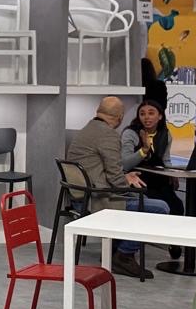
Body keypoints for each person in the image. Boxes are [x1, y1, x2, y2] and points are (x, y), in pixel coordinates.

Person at [65, 95, 167, 278]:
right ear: (120, 117)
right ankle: (124, 255)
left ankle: (116, 249)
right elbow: (115, 178)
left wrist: (124, 177)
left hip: (81, 197)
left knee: (142, 200)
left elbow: (102, 170)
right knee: (160, 208)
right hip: (97, 200)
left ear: (98, 111)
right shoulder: (108, 135)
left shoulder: (87, 129)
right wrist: (127, 181)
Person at [121, 99, 185, 217]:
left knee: (177, 206)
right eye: (142, 114)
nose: (146, 117)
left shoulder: (165, 134)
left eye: (151, 113)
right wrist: (143, 151)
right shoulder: (130, 133)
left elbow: (166, 160)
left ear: (160, 116)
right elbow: (125, 164)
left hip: (158, 180)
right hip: (138, 179)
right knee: (162, 205)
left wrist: (172, 174)